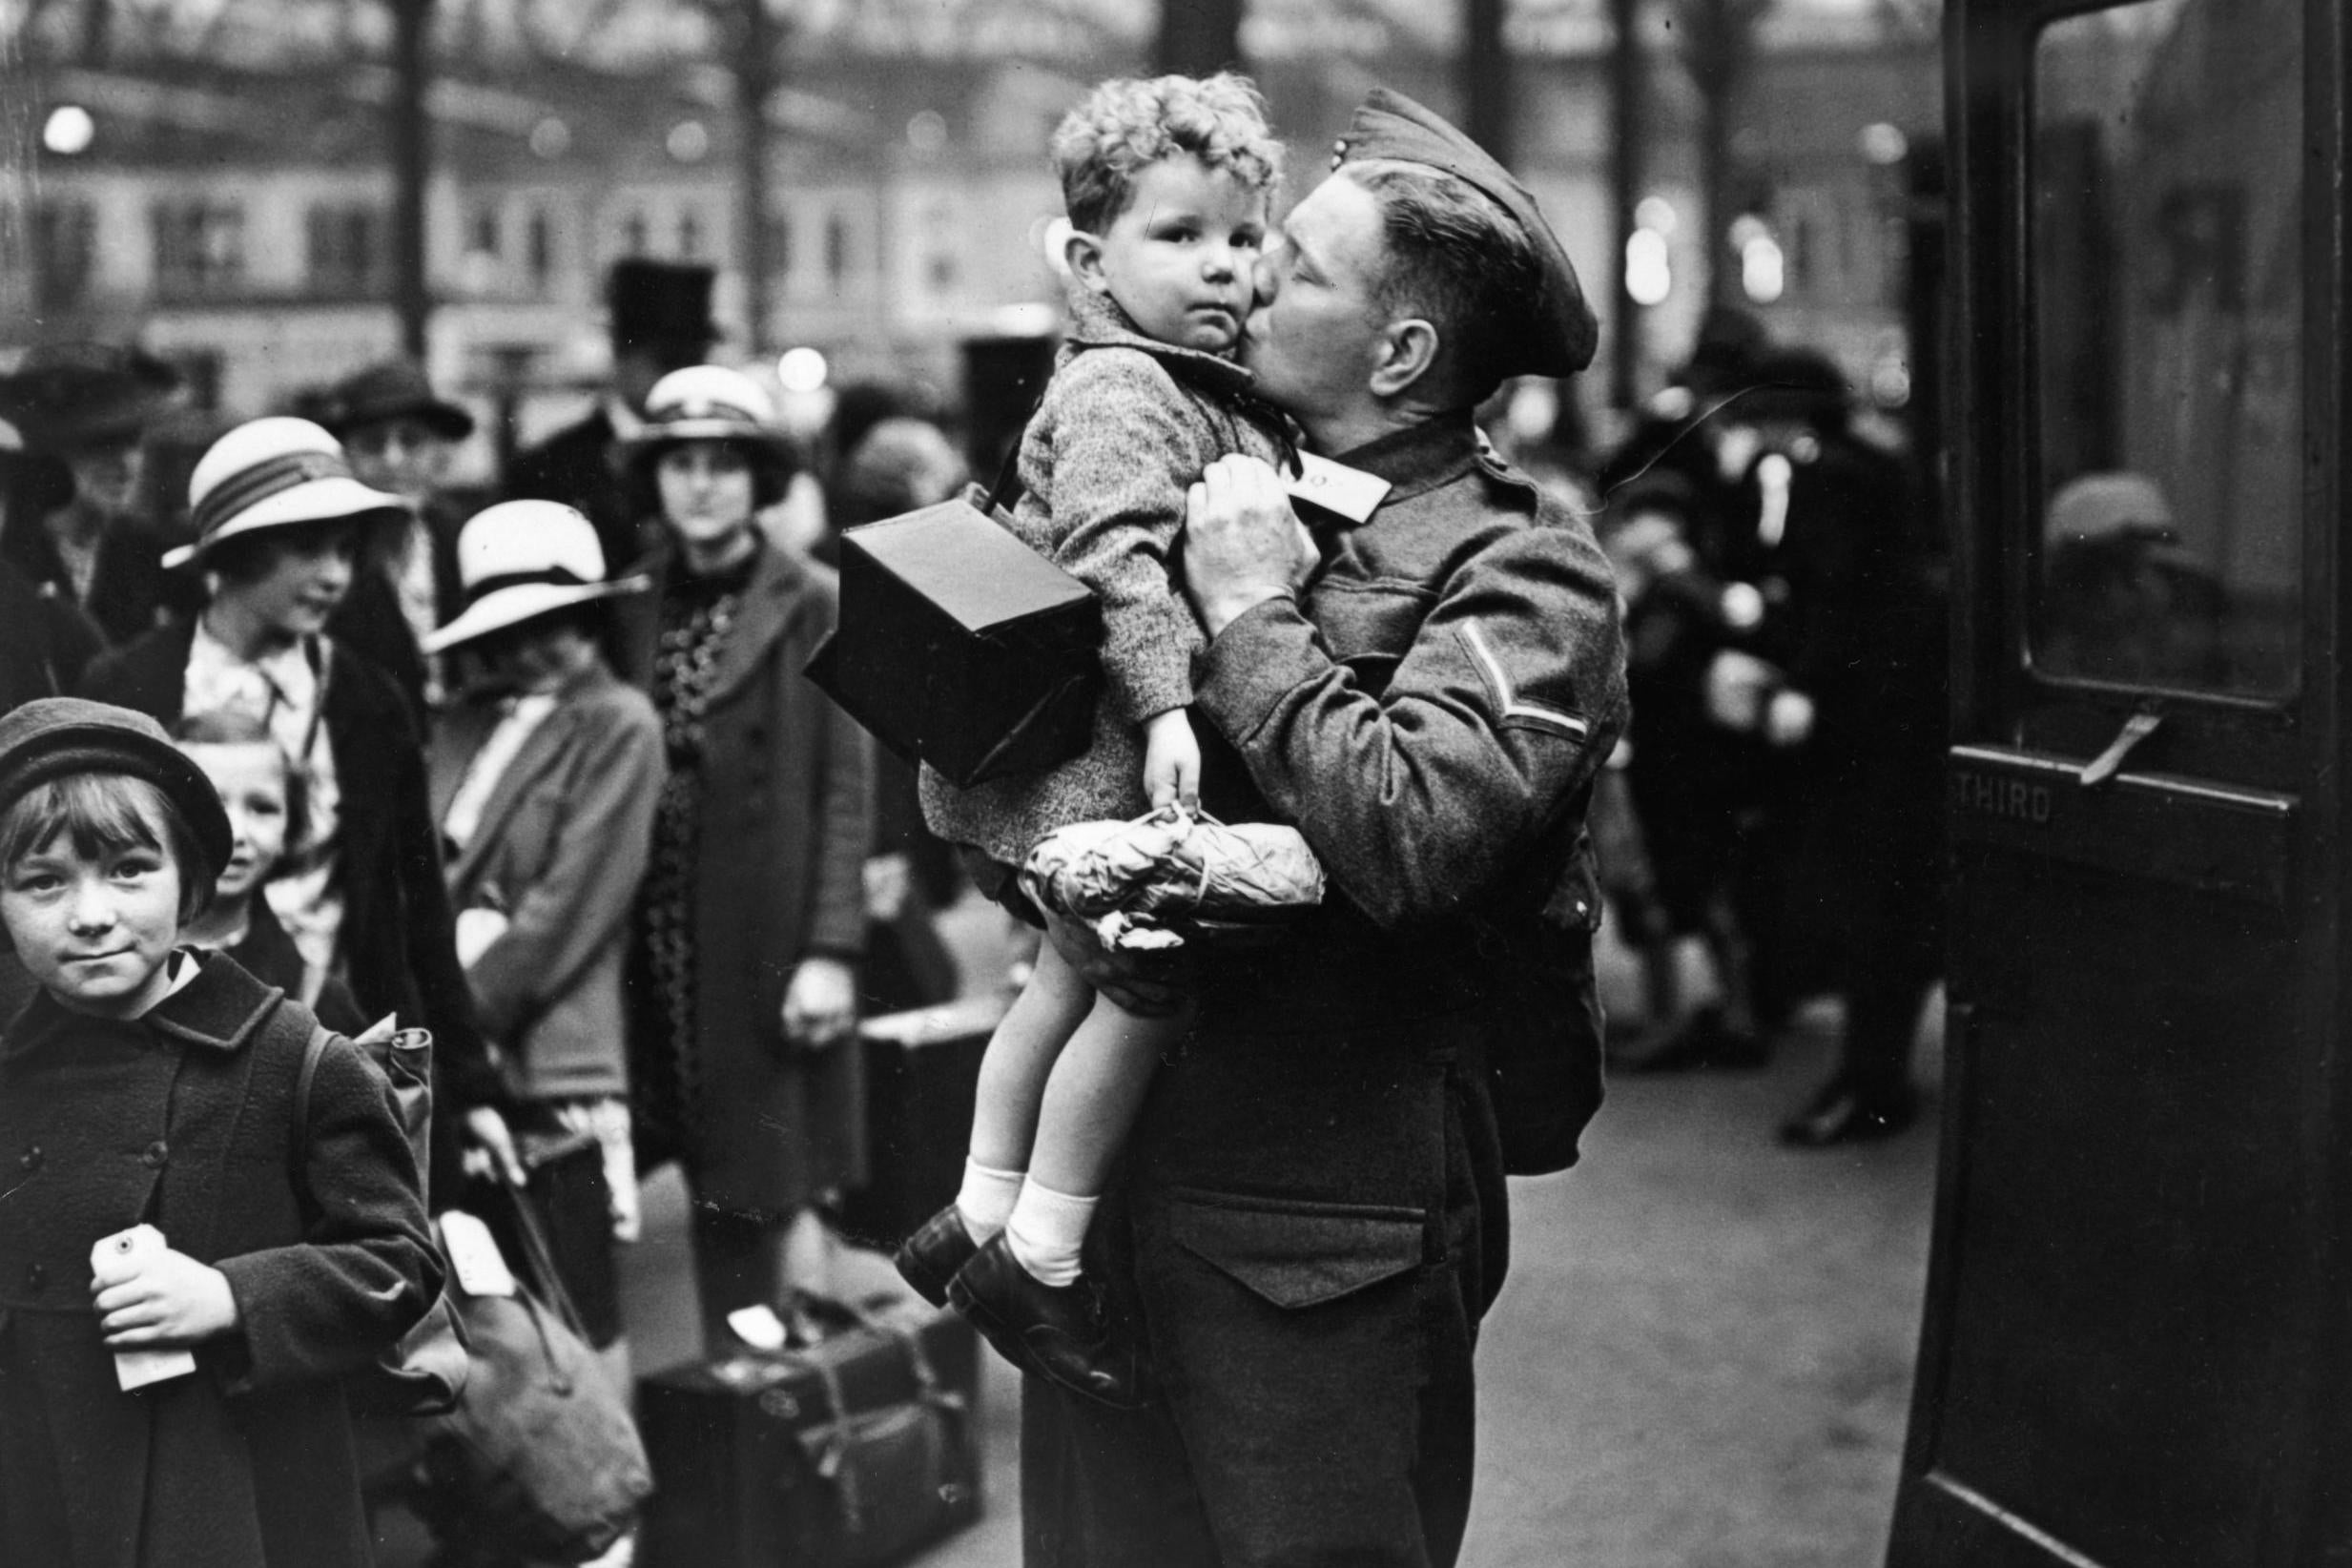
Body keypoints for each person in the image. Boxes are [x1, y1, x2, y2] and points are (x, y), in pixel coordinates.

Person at [1018, 88, 1626, 1567]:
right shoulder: (1201, 460)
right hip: (1120, 1205)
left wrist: (1248, 612)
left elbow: (1414, 832)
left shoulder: (1522, 567)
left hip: (1317, 1241)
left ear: (1403, 353)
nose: (1237, 277)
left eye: (1282, 261)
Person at [890, 72, 1292, 1404]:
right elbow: (1115, 559)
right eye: (1177, 236)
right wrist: (1174, 704)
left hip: (1061, 758)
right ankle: (1042, 1255)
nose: (1222, 266)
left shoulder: (1165, 374)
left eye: (1241, 237)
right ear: (1085, 257)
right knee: (1138, 985)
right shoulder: (1128, 385)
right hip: (1100, 758)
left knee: (1060, 979)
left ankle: (980, 1206)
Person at [0, 695, 442, 1567]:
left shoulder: (291, 1058)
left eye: (128, 869)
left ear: (192, 881)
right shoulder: (11, 1063)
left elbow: (399, 1261)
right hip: (40, 1481)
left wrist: (232, 1298)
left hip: (239, 1493)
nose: (89, 914)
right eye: (43, 881)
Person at [77, 415, 517, 1198]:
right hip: (168, 1057)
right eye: (309, 548)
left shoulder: (367, 698)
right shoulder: (129, 687)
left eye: (347, 551)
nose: (336, 576)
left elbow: (419, 907)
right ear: (232, 554)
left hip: (338, 1043)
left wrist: (472, 1087)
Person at [613, 364, 873, 1349]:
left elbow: (847, 785)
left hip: (763, 931)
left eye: (726, 464)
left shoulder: (814, 600)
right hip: (657, 929)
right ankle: (729, 1422)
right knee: (694, 1168)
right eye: (681, 464)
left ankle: (780, 1429)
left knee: (771, 1179)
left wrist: (832, 951)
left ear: (760, 478)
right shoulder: (632, 597)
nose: (703, 486)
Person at [423, 499, 665, 1246]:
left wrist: (453, 1026)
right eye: (507, 634)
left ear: (591, 619)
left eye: (548, 626)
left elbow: (570, 905)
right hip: (453, 1051)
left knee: (575, 1296)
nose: (527, 652)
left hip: (550, 1049)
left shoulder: (619, 722)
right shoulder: (463, 719)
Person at [507, 258, 721, 573]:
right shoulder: (548, 469)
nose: (682, 377)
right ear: (621, 353)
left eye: (696, 361)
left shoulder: (724, 457)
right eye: (669, 360)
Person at [171, 709, 366, 1034]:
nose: (237, 833)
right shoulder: (106, 955)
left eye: (262, 808)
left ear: (290, 824)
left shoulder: (312, 998)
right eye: (210, 805)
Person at [312, 357, 476, 719]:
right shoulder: (320, 553)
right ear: (344, 457)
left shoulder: (464, 539)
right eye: (372, 444)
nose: (393, 459)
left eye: (411, 440)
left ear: (438, 453)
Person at [0, 341, 189, 647]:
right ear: (53, 454)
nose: (126, 465)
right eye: (102, 444)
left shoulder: (152, 554)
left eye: (134, 443)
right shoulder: (12, 556)